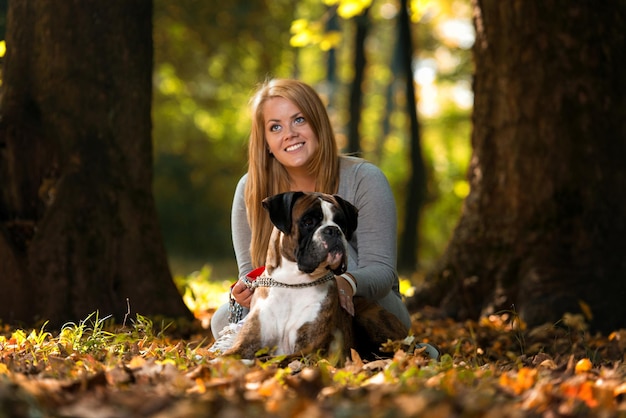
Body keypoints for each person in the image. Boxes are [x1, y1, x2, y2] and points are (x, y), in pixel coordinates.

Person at [210, 78, 428, 355]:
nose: (289, 133)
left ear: (318, 124)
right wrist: (246, 291)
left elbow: (383, 271)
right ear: (265, 141)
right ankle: (305, 348)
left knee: (329, 231)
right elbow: (251, 273)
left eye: (298, 120)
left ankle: (390, 349)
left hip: (363, 301)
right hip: (287, 296)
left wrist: (344, 282)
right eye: (275, 127)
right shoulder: (250, 188)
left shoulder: (364, 178)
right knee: (222, 319)